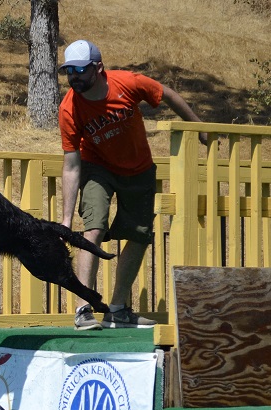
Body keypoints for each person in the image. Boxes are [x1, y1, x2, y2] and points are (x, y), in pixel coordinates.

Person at [57, 40, 207, 330]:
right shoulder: (69, 108)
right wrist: (65, 219)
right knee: (94, 226)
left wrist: (197, 126)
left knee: (139, 235)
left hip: (138, 169)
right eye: (68, 71)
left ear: (98, 68)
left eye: (79, 70)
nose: (73, 77)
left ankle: (117, 310)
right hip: (96, 165)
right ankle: (83, 307)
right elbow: (72, 165)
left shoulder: (127, 83)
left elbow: (167, 94)